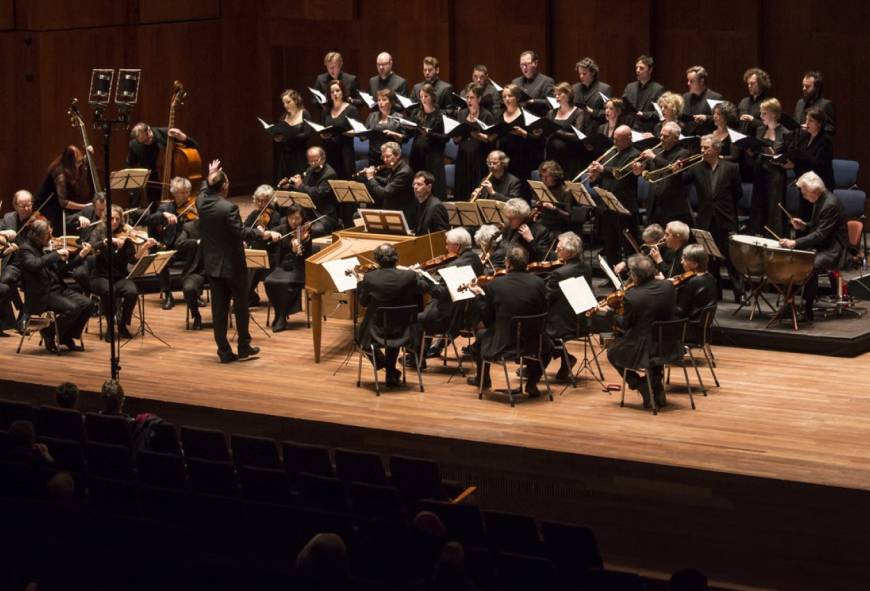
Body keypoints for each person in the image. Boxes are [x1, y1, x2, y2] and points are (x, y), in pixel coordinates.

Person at [197, 160, 267, 363]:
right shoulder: (228, 208)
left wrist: (209, 174)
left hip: (212, 265)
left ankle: (224, 352)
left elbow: (203, 189)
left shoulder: (201, 202)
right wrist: (260, 233)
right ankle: (244, 346)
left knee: (219, 310)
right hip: (232, 266)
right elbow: (241, 232)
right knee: (241, 306)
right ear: (225, 186)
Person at [465, 246, 551, 397]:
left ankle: (483, 379)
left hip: (505, 345)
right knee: (547, 345)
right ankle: (532, 383)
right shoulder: (539, 283)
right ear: (526, 262)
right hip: (535, 343)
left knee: (480, 335)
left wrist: (479, 297)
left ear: (508, 263)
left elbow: (488, 320)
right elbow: (544, 310)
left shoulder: (495, 285)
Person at [604, 254, 676, 408]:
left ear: (635, 275)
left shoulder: (633, 296)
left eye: (630, 273)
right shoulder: (668, 286)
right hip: (669, 344)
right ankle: (656, 385)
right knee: (653, 341)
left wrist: (610, 312)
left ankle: (640, 384)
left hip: (645, 349)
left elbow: (625, 325)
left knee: (612, 353)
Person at [778, 171, 847, 321]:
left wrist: (795, 242)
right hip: (824, 244)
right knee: (792, 259)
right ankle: (789, 305)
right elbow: (818, 227)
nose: (803, 196)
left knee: (810, 265)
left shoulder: (830, 204)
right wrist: (804, 226)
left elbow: (821, 234)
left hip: (834, 248)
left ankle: (806, 308)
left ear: (815, 191)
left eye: (804, 193)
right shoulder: (820, 200)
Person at [683, 135, 744, 302]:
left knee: (731, 258)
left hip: (726, 218)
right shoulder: (696, 168)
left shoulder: (731, 167)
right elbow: (682, 180)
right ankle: (715, 292)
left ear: (717, 149)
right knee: (710, 259)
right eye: (701, 147)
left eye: (706, 147)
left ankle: (740, 293)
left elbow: (737, 193)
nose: (702, 151)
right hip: (706, 220)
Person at [356, 243, 427, 386]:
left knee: (359, 337)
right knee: (393, 332)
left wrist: (360, 283)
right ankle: (390, 372)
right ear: (396, 258)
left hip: (378, 331)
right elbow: (423, 289)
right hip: (405, 330)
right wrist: (417, 274)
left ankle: (387, 367)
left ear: (376, 259)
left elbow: (363, 302)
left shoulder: (370, 278)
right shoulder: (409, 276)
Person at [17, 219, 93, 352]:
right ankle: (49, 333)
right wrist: (55, 254)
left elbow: (62, 270)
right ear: (37, 236)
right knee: (73, 309)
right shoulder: (25, 250)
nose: (51, 238)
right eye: (47, 235)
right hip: (42, 294)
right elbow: (35, 264)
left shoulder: (45, 248)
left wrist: (81, 256)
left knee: (88, 304)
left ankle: (65, 337)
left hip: (58, 289)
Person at [89, 204, 159, 340]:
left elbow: (132, 260)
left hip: (119, 276)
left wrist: (144, 247)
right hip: (100, 276)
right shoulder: (98, 232)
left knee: (132, 291)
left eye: (117, 219)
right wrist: (108, 241)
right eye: (111, 219)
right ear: (105, 219)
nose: (114, 222)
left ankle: (122, 325)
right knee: (109, 290)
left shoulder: (126, 235)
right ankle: (110, 326)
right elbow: (92, 248)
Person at [414, 227, 484, 363]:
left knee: (417, 319)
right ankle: (426, 350)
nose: (446, 247)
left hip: (451, 316)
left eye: (447, 244)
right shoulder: (475, 258)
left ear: (457, 246)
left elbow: (441, 294)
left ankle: (417, 359)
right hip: (468, 312)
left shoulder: (454, 265)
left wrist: (424, 280)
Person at [588, 125, 641, 266]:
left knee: (629, 245)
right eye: (614, 139)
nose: (614, 142)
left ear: (629, 138)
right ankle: (613, 277)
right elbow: (604, 177)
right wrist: (595, 178)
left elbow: (621, 174)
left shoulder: (635, 154)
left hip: (625, 206)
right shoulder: (611, 152)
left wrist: (602, 169)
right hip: (607, 206)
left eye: (618, 140)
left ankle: (632, 276)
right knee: (610, 244)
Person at [544, 232, 592, 380]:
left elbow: (546, 297)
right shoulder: (586, 267)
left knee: (533, 326)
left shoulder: (559, 273)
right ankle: (564, 359)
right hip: (582, 320)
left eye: (559, 249)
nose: (556, 251)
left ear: (569, 252)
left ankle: (536, 368)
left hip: (564, 324)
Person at [263, 204, 310, 333]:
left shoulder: (307, 231)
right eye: (290, 218)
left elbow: (306, 254)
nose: (294, 222)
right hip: (282, 267)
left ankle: (281, 316)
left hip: (299, 267)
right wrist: (268, 234)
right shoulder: (282, 229)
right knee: (269, 281)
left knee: (286, 283)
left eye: (297, 219)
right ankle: (280, 312)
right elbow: (268, 235)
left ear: (302, 219)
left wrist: (299, 247)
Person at [748, 98, 792, 236]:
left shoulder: (785, 133)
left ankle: (773, 238)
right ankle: (756, 236)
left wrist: (775, 155)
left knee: (774, 209)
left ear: (773, 114)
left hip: (776, 174)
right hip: (760, 171)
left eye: (764, 113)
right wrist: (750, 150)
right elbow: (756, 151)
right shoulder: (760, 129)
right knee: (758, 206)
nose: (761, 117)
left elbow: (789, 157)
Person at [125, 122, 198, 205]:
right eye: (143, 142)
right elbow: (129, 163)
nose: (147, 142)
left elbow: (195, 146)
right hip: (153, 185)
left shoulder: (166, 133)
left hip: (174, 180)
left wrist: (184, 138)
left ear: (149, 129)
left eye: (148, 139)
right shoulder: (134, 145)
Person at [640, 121, 693, 228]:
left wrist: (654, 157)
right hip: (653, 205)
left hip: (672, 208)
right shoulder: (657, 151)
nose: (661, 138)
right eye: (661, 135)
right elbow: (648, 170)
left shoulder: (683, 153)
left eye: (666, 136)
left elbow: (672, 168)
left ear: (676, 138)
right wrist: (639, 169)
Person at [785, 107, 834, 220]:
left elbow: (819, 163)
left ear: (819, 123)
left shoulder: (825, 141)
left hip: (820, 185)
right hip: (805, 183)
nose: (807, 123)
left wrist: (800, 157)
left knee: (815, 218)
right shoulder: (804, 137)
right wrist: (793, 164)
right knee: (804, 216)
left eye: (810, 121)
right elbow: (799, 157)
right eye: (806, 120)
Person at [284, 146, 340, 237]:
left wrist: (300, 185)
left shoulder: (330, 174)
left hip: (323, 215)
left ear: (323, 159)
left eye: (315, 160)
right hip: (307, 212)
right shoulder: (310, 169)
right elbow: (303, 189)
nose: (313, 163)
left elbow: (317, 193)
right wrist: (289, 186)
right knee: (285, 223)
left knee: (315, 230)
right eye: (310, 161)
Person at [35, 145, 92, 233]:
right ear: (71, 163)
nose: (81, 164)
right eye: (78, 162)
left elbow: (81, 161)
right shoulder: (59, 174)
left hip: (57, 201)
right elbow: (63, 203)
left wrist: (88, 155)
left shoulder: (70, 165)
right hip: (48, 204)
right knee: (60, 226)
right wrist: (84, 207)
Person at [453, 84, 496, 200]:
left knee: (476, 191)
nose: (469, 100)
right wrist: (457, 135)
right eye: (467, 97)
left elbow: (491, 141)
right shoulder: (462, 114)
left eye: (472, 97)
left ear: (479, 99)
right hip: (463, 157)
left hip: (479, 159)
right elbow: (456, 139)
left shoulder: (487, 115)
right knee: (462, 190)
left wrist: (478, 136)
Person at [242, 185, 282, 307]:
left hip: (269, 254)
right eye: (258, 200)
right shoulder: (254, 214)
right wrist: (244, 241)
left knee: (255, 267)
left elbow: (276, 234)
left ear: (270, 200)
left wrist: (267, 233)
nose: (260, 203)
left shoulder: (275, 216)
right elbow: (244, 230)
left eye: (264, 200)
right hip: (254, 252)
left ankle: (243, 300)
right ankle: (250, 296)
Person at [410, 83, 448, 203]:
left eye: (426, 96)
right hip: (418, 155)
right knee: (417, 187)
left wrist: (429, 133)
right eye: (421, 97)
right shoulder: (416, 113)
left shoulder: (440, 115)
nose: (423, 99)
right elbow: (411, 131)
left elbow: (445, 138)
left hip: (433, 156)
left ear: (432, 97)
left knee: (434, 187)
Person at [496, 84, 536, 192]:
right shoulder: (499, 115)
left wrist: (524, 133)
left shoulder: (526, 115)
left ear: (517, 97)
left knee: (520, 192)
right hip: (503, 161)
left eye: (510, 96)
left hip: (521, 160)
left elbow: (537, 140)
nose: (507, 99)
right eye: (504, 97)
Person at [545, 82, 589, 180]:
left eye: (560, 94)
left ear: (568, 94)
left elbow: (577, 136)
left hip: (570, 158)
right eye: (556, 94)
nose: (557, 96)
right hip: (552, 157)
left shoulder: (578, 113)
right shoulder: (551, 113)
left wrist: (557, 132)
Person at [364, 141, 415, 222]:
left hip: (402, 215)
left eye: (388, 156)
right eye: (383, 157)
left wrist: (371, 178)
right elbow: (388, 181)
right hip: (394, 211)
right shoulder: (396, 167)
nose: (384, 160)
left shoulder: (404, 172)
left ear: (397, 155)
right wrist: (374, 176)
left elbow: (384, 193)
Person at [319, 80, 359, 180]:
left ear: (343, 91)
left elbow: (358, 131)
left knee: (346, 180)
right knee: (329, 180)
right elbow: (323, 129)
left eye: (337, 90)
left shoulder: (351, 109)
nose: (335, 94)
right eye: (332, 92)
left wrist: (344, 132)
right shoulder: (326, 110)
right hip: (329, 150)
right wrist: (323, 135)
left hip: (345, 151)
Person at [174, 217, 207, 330]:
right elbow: (179, 244)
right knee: (188, 289)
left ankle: (222, 317)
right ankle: (196, 316)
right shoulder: (189, 227)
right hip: (197, 271)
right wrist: (196, 242)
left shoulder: (219, 225)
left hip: (217, 270)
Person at [494, 198, 551, 264]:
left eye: (511, 218)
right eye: (507, 217)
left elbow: (543, 257)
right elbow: (504, 248)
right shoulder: (508, 227)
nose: (508, 221)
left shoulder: (541, 231)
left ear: (522, 217)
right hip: (506, 265)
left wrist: (531, 240)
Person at [273, 89, 313, 181]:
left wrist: (291, 136)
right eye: (284, 103)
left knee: (297, 182)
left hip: (299, 154)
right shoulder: (283, 117)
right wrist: (278, 138)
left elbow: (307, 134)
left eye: (288, 102)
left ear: (296, 100)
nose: (285, 105)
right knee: (284, 182)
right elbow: (281, 133)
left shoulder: (304, 113)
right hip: (286, 154)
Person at [673, 244, 718, 323]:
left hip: (688, 325)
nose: (681, 262)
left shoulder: (694, 282)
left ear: (695, 264)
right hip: (700, 323)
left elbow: (681, 311)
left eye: (684, 259)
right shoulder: (709, 276)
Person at [363, 88, 406, 166]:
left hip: (391, 157)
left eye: (384, 100)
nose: (380, 103)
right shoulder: (372, 116)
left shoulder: (399, 118)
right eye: (379, 100)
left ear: (391, 102)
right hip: (374, 155)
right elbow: (364, 134)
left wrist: (393, 134)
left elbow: (404, 138)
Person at [624, 55, 665, 133]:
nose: (638, 70)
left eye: (641, 68)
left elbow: (660, 113)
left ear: (650, 70)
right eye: (636, 67)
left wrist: (644, 114)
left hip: (646, 130)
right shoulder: (630, 87)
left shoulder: (658, 89)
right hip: (629, 128)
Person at [572, 57, 613, 134]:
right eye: (579, 74)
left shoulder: (604, 89)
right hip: (577, 131)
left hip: (595, 130)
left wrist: (592, 111)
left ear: (593, 73)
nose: (581, 76)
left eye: (584, 74)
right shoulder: (575, 88)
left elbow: (609, 112)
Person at [534, 160, 575, 235]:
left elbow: (568, 217)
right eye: (542, 176)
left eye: (546, 177)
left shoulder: (565, 191)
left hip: (558, 227)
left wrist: (554, 208)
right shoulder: (543, 188)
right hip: (544, 224)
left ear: (555, 176)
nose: (543, 179)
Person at [681, 66, 724, 137]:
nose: (688, 83)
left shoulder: (716, 97)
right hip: (687, 138)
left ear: (701, 81)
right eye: (688, 80)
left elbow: (722, 120)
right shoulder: (685, 96)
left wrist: (706, 118)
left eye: (691, 81)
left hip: (706, 138)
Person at [511, 50, 555, 116]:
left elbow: (552, 102)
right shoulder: (515, 82)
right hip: (519, 118)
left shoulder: (547, 81)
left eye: (526, 64)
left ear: (535, 63)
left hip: (539, 119)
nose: (524, 68)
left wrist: (533, 101)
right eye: (521, 65)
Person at [794, 70, 836, 136]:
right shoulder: (800, 103)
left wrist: (813, 129)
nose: (804, 89)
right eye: (803, 86)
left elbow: (831, 129)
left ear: (817, 88)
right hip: (799, 144)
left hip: (816, 145)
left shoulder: (825, 105)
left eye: (807, 86)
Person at [412, 171, 450, 236]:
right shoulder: (419, 204)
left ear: (429, 187)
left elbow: (442, 234)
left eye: (419, 184)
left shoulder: (436, 206)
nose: (415, 187)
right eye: (414, 184)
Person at [737, 67, 772, 137]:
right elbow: (736, 122)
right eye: (748, 84)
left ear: (761, 83)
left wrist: (753, 120)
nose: (749, 86)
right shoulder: (744, 102)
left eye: (752, 83)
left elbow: (770, 126)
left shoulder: (768, 103)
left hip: (757, 142)